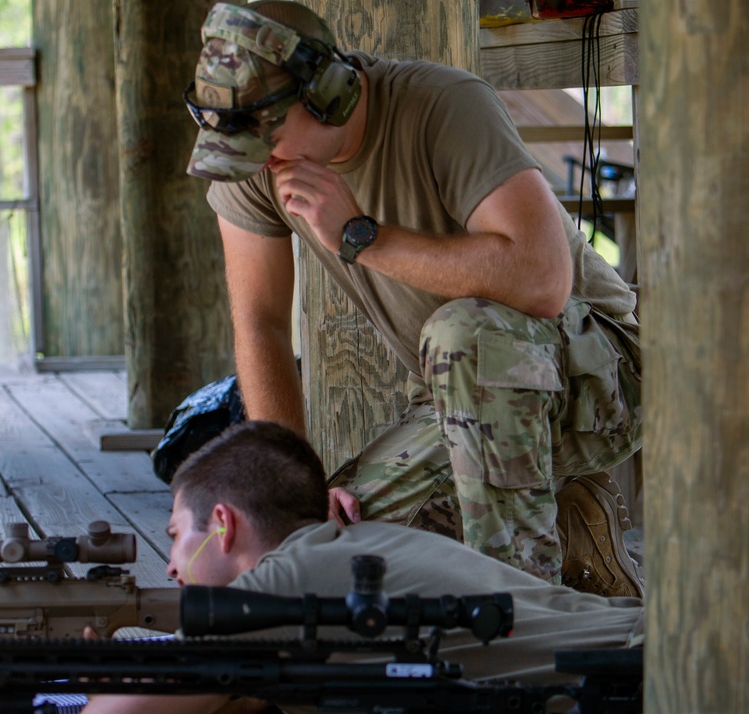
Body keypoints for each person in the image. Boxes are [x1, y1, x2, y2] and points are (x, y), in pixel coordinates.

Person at [182, 1, 644, 595]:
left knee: (465, 334)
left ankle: (530, 621)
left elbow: (542, 280)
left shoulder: (444, 104)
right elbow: (261, 324)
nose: (259, 163)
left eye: (267, 141)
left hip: (604, 373)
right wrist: (290, 493)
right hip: (463, 392)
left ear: (328, 92)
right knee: (328, 544)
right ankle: (573, 524)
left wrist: (361, 236)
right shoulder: (253, 159)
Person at [82, 420, 643, 714]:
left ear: (224, 525)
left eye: (178, 537)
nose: (173, 569)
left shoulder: (283, 585)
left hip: (661, 683)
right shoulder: (343, 551)